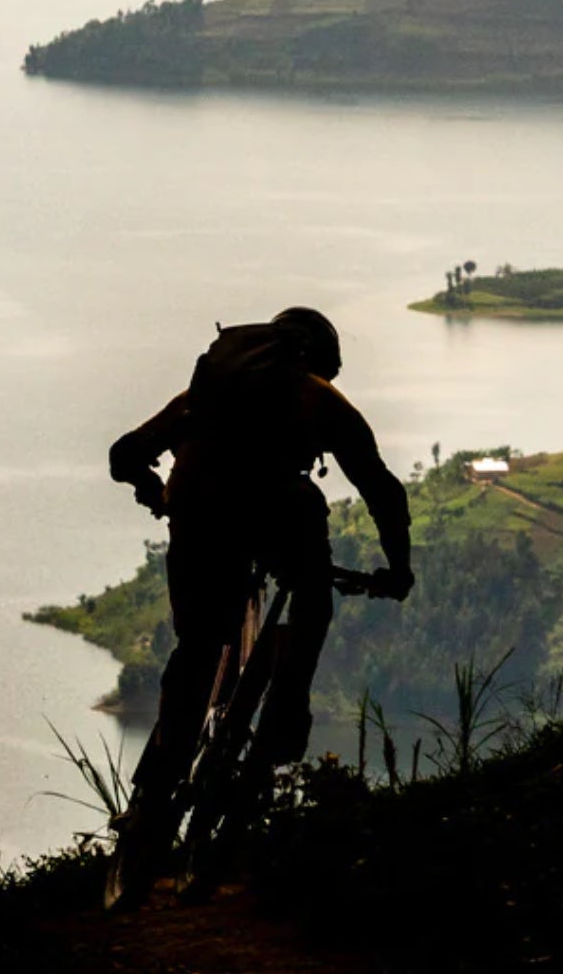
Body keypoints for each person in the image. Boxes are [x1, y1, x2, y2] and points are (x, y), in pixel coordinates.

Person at [108, 306, 414, 800]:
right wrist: (398, 568)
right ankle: (287, 710)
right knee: (312, 589)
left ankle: (157, 783)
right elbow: (382, 492)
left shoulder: (205, 394)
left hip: (196, 510)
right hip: (273, 513)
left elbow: (123, 455)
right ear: (319, 361)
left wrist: (155, 490)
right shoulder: (321, 397)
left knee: (197, 644)